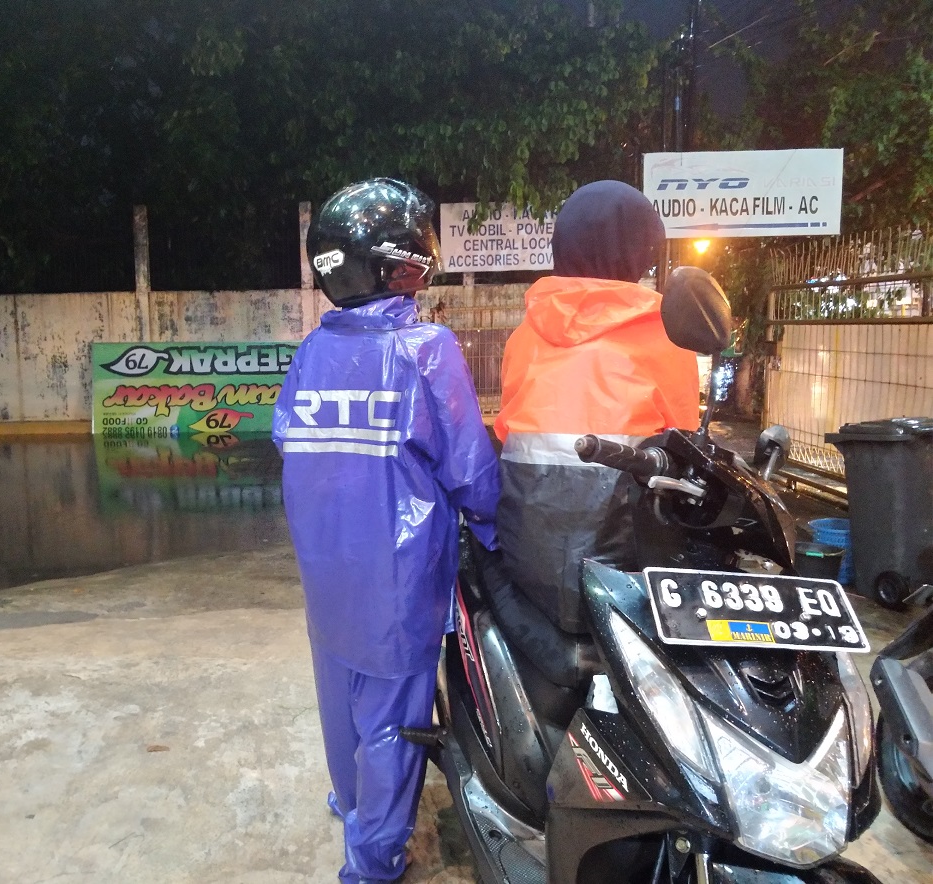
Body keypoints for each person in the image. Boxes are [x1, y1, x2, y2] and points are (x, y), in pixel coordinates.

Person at [273, 178, 499, 884]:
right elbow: (469, 469)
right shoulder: (425, 348)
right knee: (392, 716)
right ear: (396, 263)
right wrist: (498, 536)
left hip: (326, 566)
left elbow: (290, 443)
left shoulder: (311, 352)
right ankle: (371, 860)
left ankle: (351, 803)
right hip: (398, 577)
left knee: (339, 691)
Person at [494, 180, 700, 635]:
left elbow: (507, 432)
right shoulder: (667, 334)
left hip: (529, 549)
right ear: (642, 249)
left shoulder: (525, 334)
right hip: (624, 555)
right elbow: (687, 443)